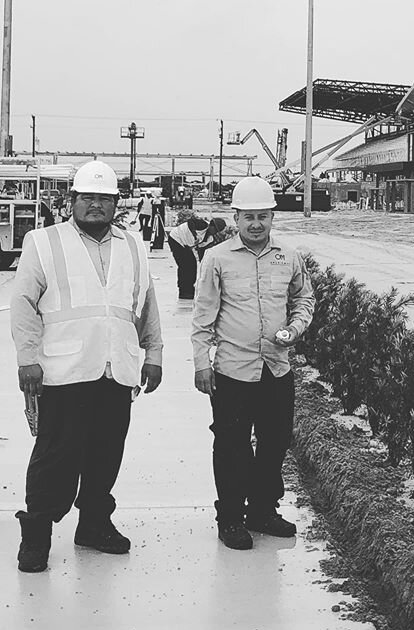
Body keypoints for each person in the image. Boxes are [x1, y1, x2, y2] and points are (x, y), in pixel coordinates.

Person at [10, 160, 163, 573]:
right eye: (88, 197)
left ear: (117, 204)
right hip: (64, 371)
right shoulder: (43, 242)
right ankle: (37, 533)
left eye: (105, 198)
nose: (96, 205)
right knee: (55, 456)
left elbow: (145, 303)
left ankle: (94, 525)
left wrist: (155, 353)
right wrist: (27, 358)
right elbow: (23, 304)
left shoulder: (133, 245)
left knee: (105, 453)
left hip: (117, 370)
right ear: (71, 200)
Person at [191, 176, 314, 551]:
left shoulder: (288, 256)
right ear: (236, 218)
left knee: (276, 441)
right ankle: (230, 517)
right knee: (231, 445)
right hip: (232, 371)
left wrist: (295, 328)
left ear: (272, 217)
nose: (256, 224)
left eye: (263, 216)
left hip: (277, 368)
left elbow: (304, 299)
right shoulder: (217, 258)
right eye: (248, 217)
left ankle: (262, 510)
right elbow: (202, 316)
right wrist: (201, 363)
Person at [167, 216, 226, 300]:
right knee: (185, 265)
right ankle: (184, 291)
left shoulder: (209, 239)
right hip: (176, 238)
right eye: (215, 229)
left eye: (217, 231)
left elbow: (201, 251)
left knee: (192, 266)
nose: (215, 232)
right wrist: (194, 233)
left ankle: (189, 289)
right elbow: (191, 221)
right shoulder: (203, 224)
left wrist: (204, 265)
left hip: (186, 245)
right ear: (211, 226)